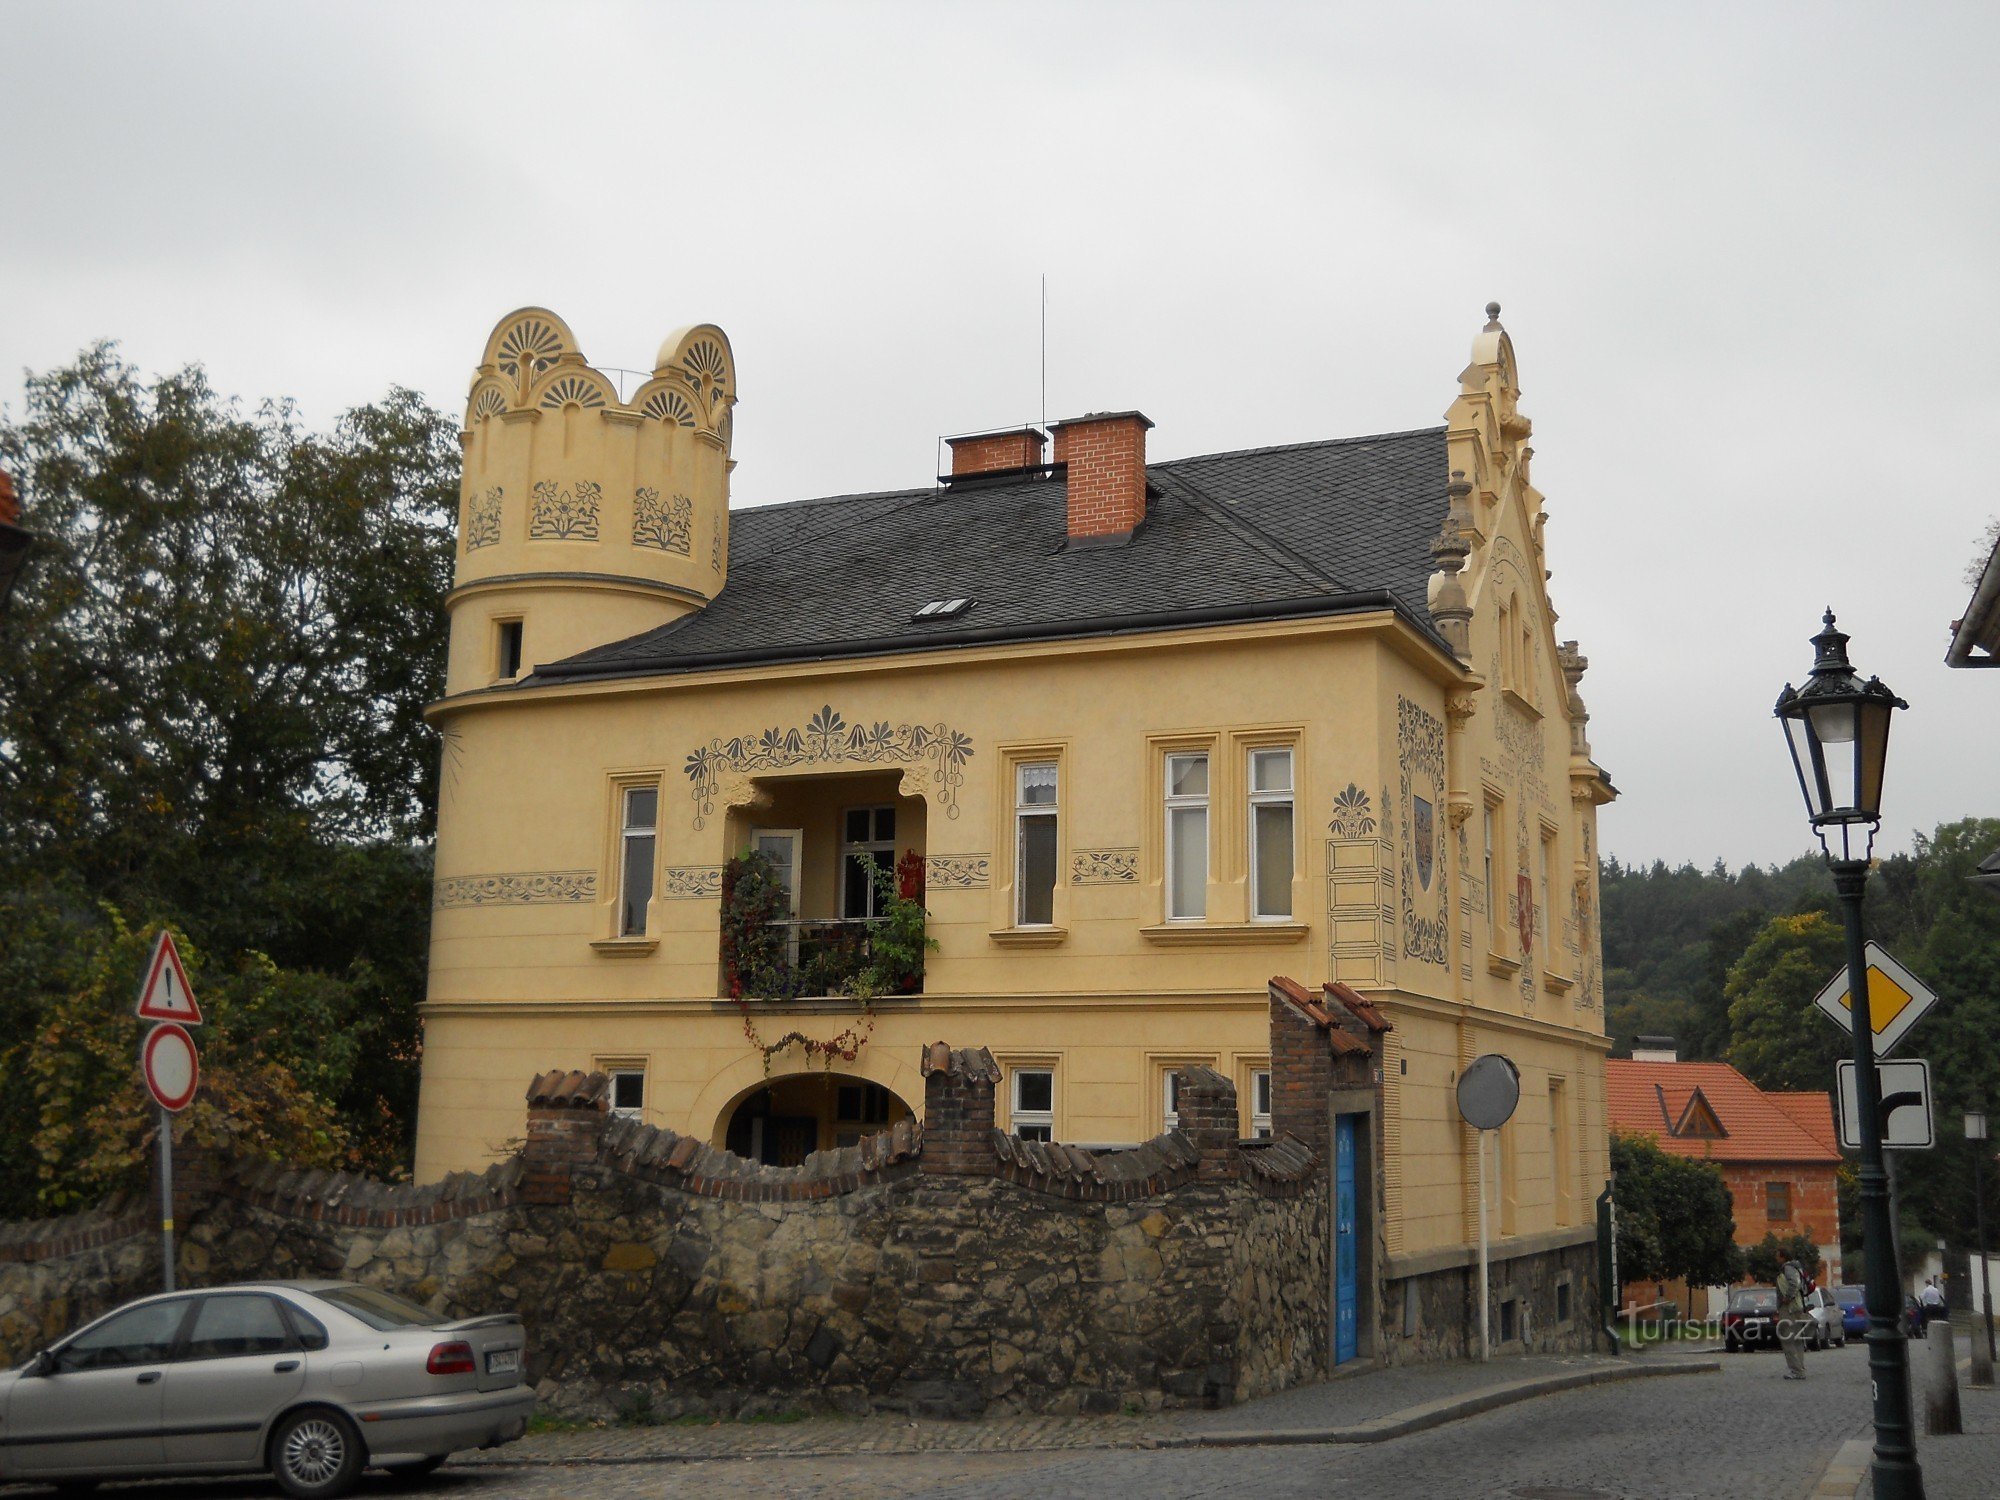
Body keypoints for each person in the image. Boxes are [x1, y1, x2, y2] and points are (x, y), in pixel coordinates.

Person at [1776, 1247, 1809, 1380]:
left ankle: (1796, 1370)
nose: (1776, 1258)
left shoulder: (1787, 1268)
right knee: (1797, 1339)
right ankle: (1799, 1367)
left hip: (1789, 1307)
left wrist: (1787, 1297)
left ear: (1783, 1257)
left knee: (1787, 1338)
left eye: (1777, 1255)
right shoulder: (1796, 1267)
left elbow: (1794, 1284)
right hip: (1798, 1306)